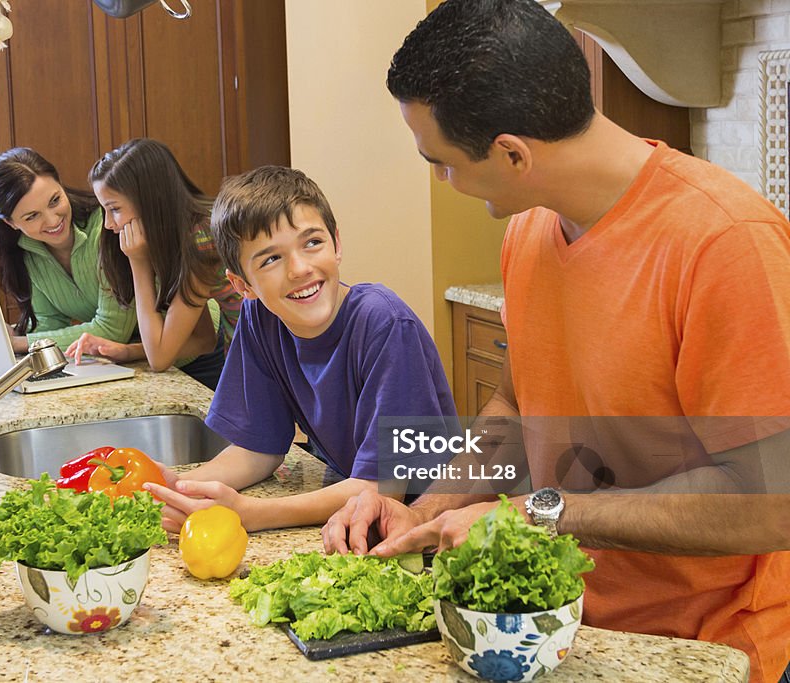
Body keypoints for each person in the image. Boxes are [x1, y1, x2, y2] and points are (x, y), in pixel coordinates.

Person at [321, 1, 790, 680]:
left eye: (442, 162)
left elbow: (770, 502)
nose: (440, 180)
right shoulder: (529, 230)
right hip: (558, 626)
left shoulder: (725, 244)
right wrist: (422, 511)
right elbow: (516, 409)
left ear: (513, 153)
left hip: (702, 651)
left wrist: (540, 511)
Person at [142, 165, 459, 533]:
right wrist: (180, 489)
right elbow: (259, 450)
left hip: (430, 523)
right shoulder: (260, 318)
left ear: (337, 244)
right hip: (356, 516)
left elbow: (383, 489)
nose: (299, 269)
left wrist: (250, 514)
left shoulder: (384, 324)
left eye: (312, 242)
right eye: (271, 259)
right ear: (242, 284)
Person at [67, 138, 239, 389]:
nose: (108, 224)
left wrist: (139, 263)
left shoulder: (201, 239)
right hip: (246, 362)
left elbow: (159, 359)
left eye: (114, 209)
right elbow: (202, 340)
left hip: (264, 365)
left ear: (150, 200)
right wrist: (127, 352)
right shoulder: (188, 232)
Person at [0, 147, 140, 356]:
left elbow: (112, 330)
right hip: (115, 363)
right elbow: (50, 323)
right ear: (10, 223)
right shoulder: (25, 250)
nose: (53, 220)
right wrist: (13, 334)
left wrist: (18, 343)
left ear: (61, 185)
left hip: (171, 364)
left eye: (55, 200)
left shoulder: (108, 228)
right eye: (32, 216)